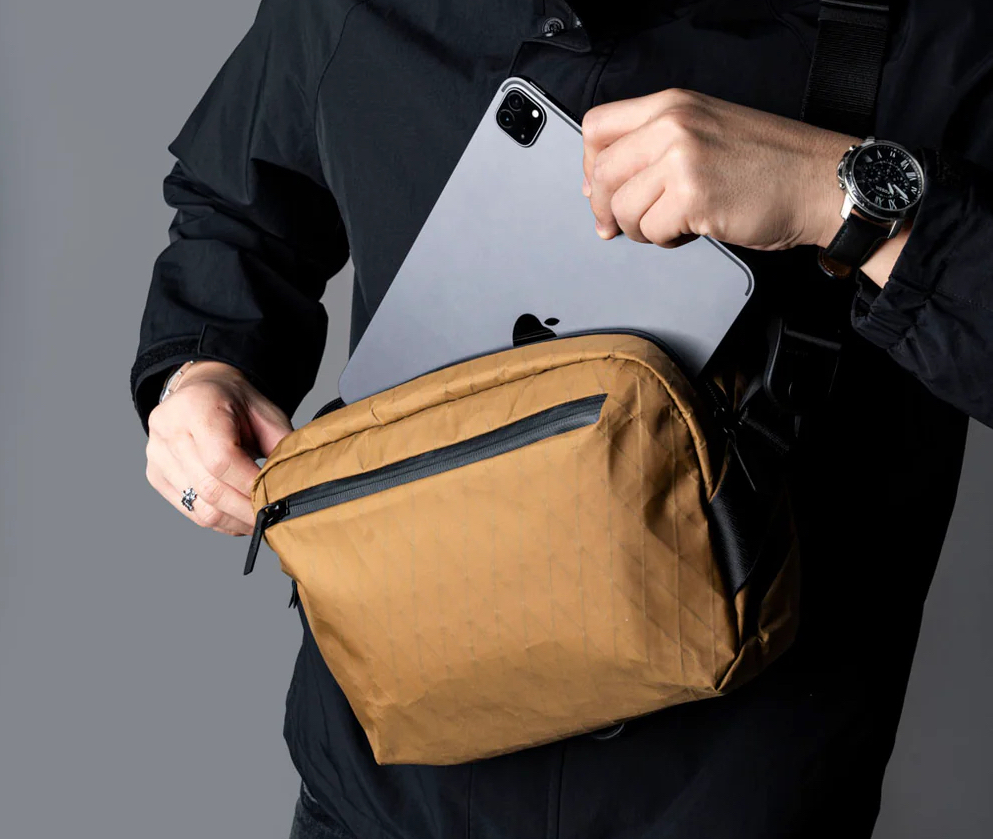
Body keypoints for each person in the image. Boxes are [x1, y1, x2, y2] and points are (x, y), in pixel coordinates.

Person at [130, 1, 993, 836]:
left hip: (734, 796)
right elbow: (236, 206)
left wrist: (845, 200)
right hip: (372, 797)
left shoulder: (940, 26)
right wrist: (200, 368)